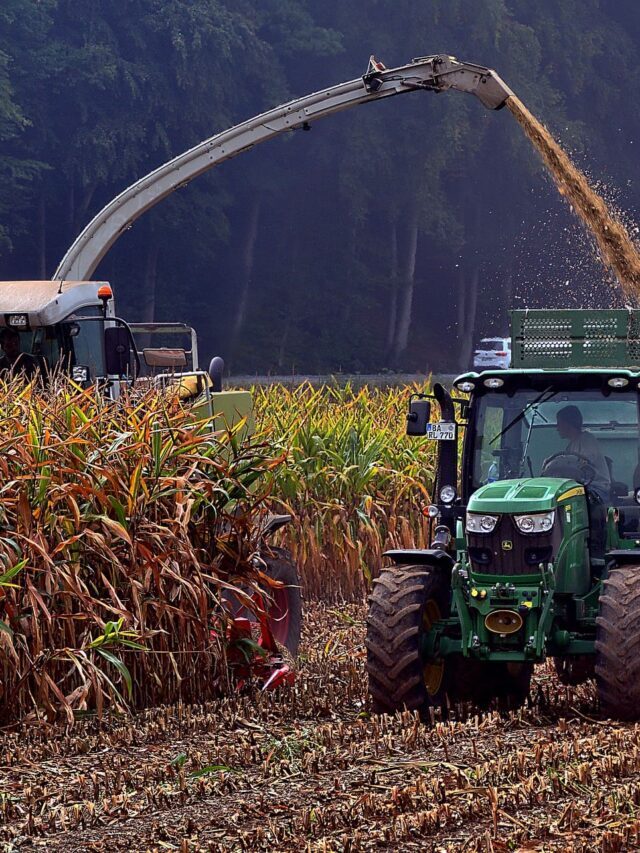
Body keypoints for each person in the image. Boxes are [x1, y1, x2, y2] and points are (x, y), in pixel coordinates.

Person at [555, 405, 610, 502]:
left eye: (559, 423)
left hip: (597, 489)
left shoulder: (587, 440)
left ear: (568, 424)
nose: (557, 428)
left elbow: (584, 466)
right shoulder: (571, 445)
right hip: (581, 488)